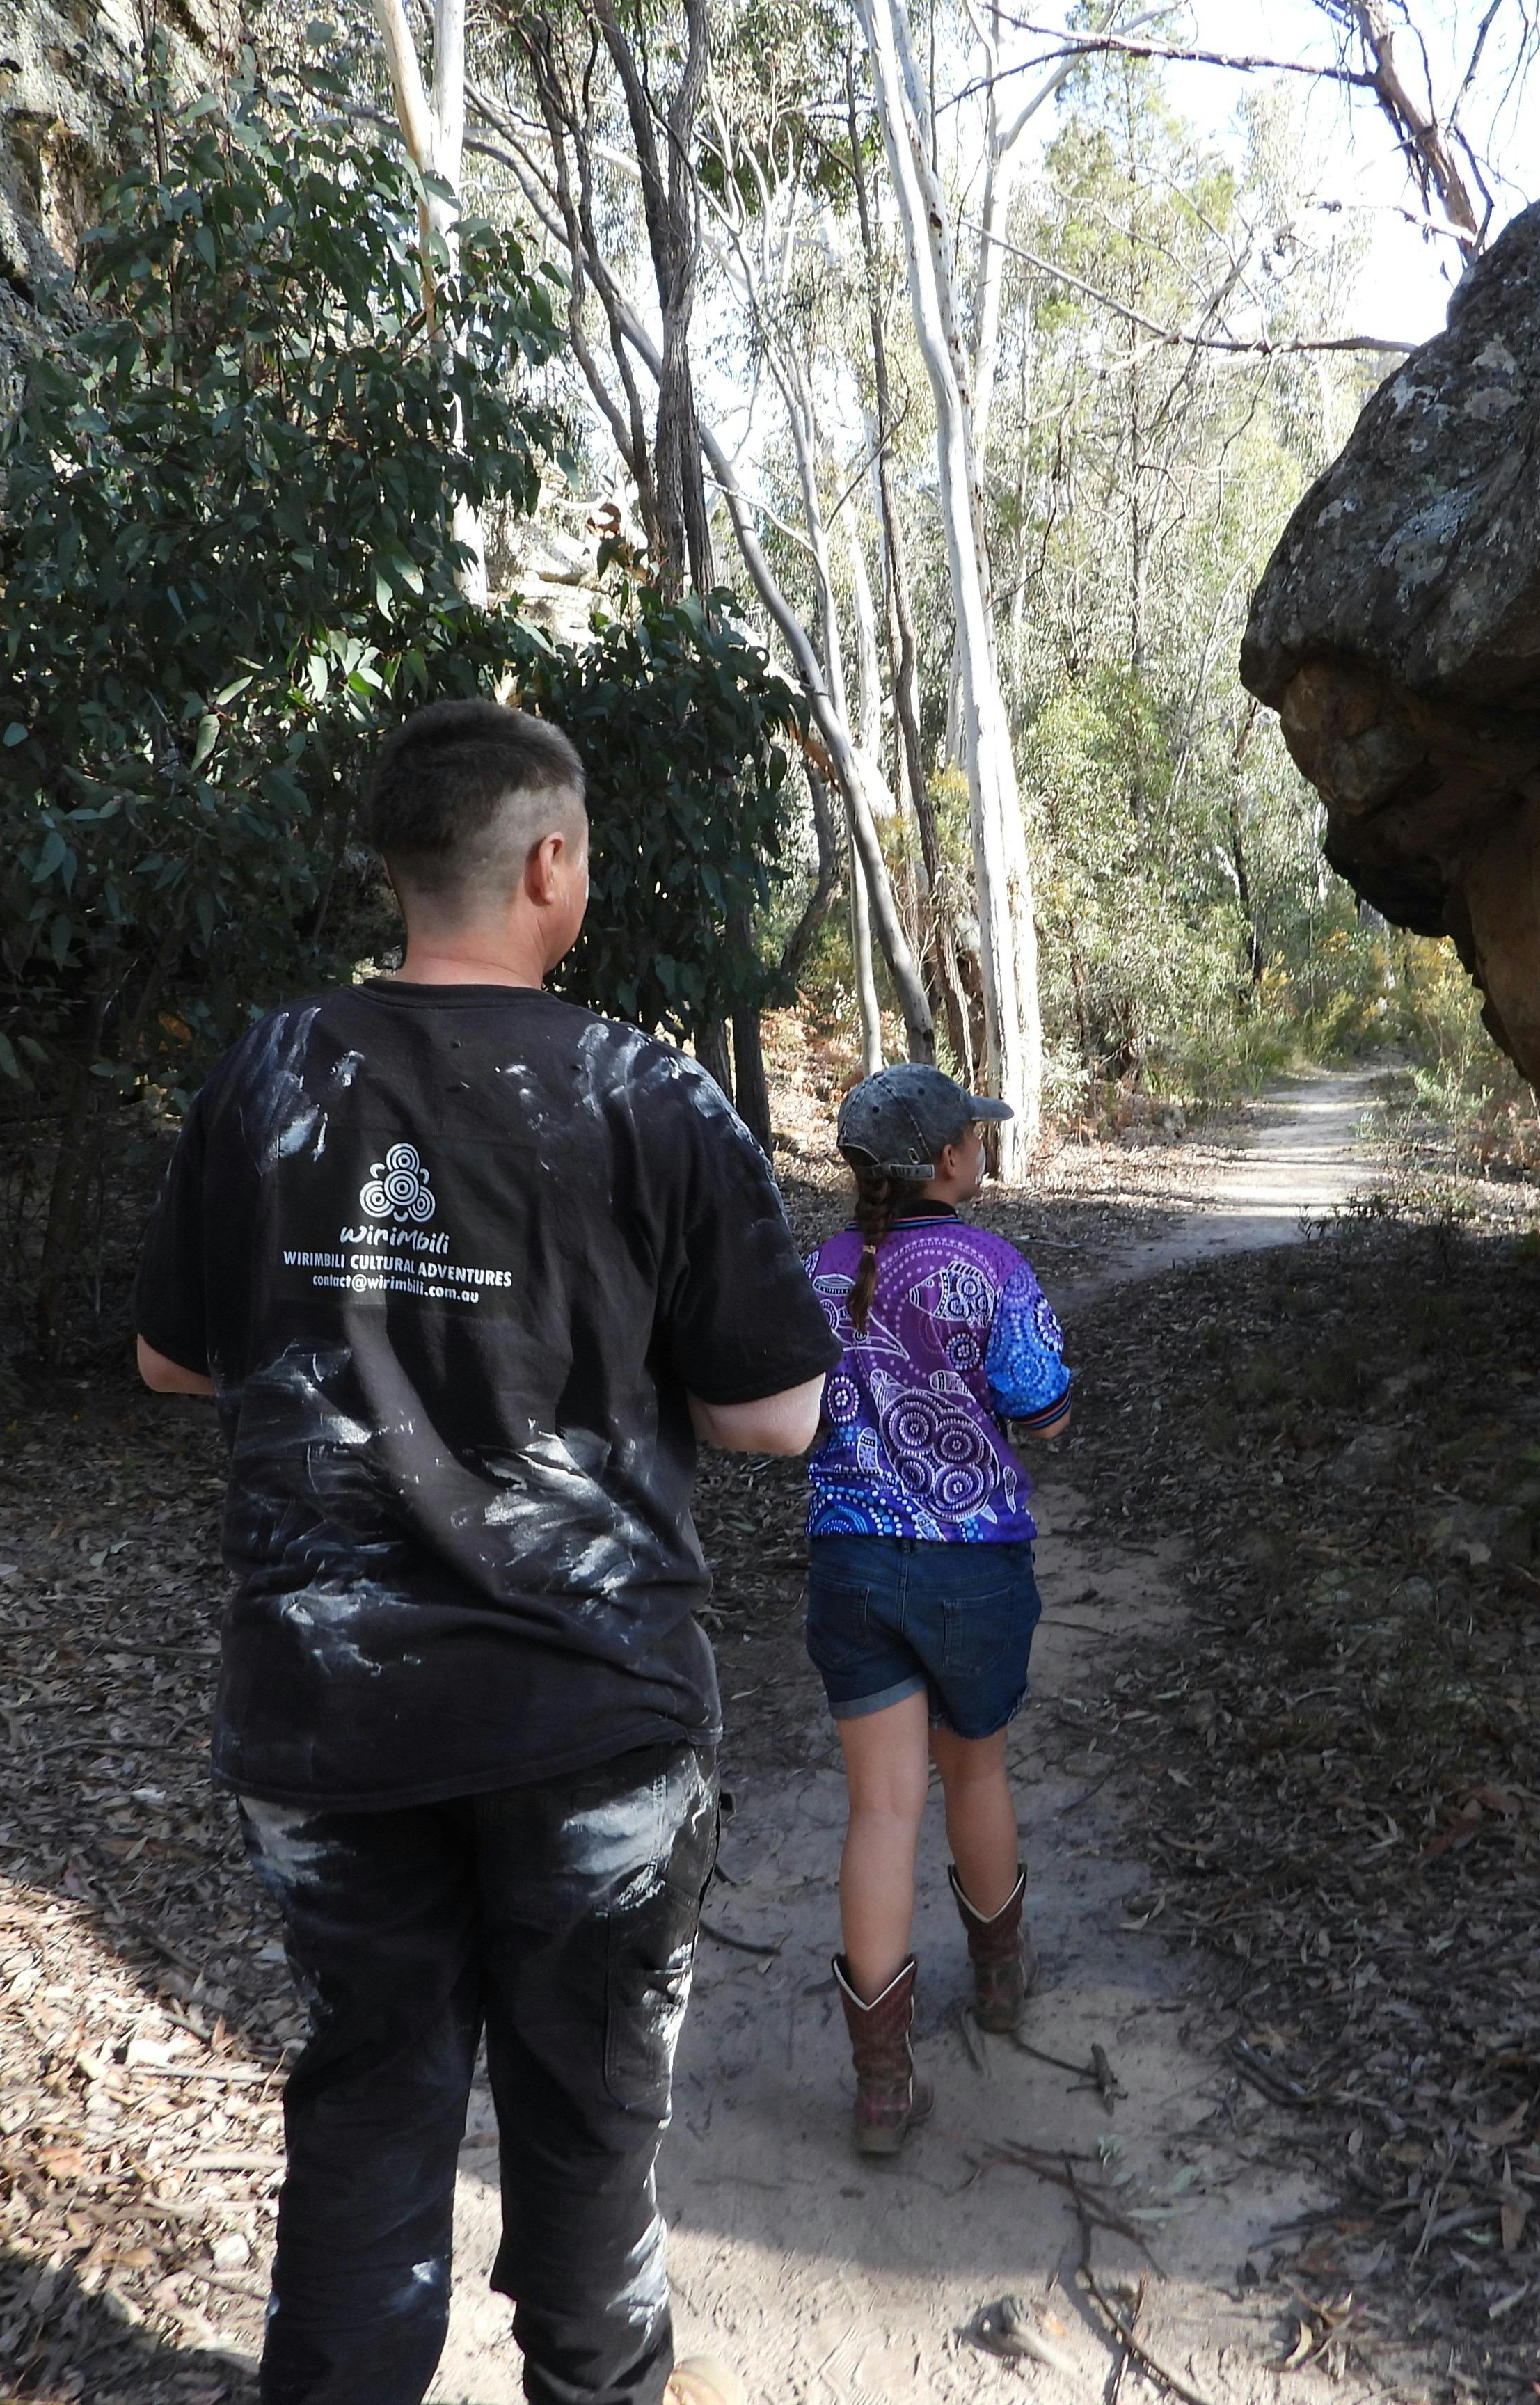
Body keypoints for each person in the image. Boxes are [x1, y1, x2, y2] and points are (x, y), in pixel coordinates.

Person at [132, 698, 838, 2405]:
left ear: (398, 869)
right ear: (549, 864)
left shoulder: (264, 1074)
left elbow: (171, 1358)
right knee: (591, 2128)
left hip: (328, 1715)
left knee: (372, 2097)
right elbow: (778, 1417)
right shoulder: (648, 1094)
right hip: (588, 1719)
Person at [799, 1065, 1077, 2156]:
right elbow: (1044, 1410)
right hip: (972, 1568)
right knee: (978, 1770)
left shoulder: (816, 1272)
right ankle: (1001, 1981)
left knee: (880, 1812)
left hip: (851, 1566)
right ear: (950, 1161)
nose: (979, 1150)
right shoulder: (990, 1266)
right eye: (973, 1137)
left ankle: (879, 2085)